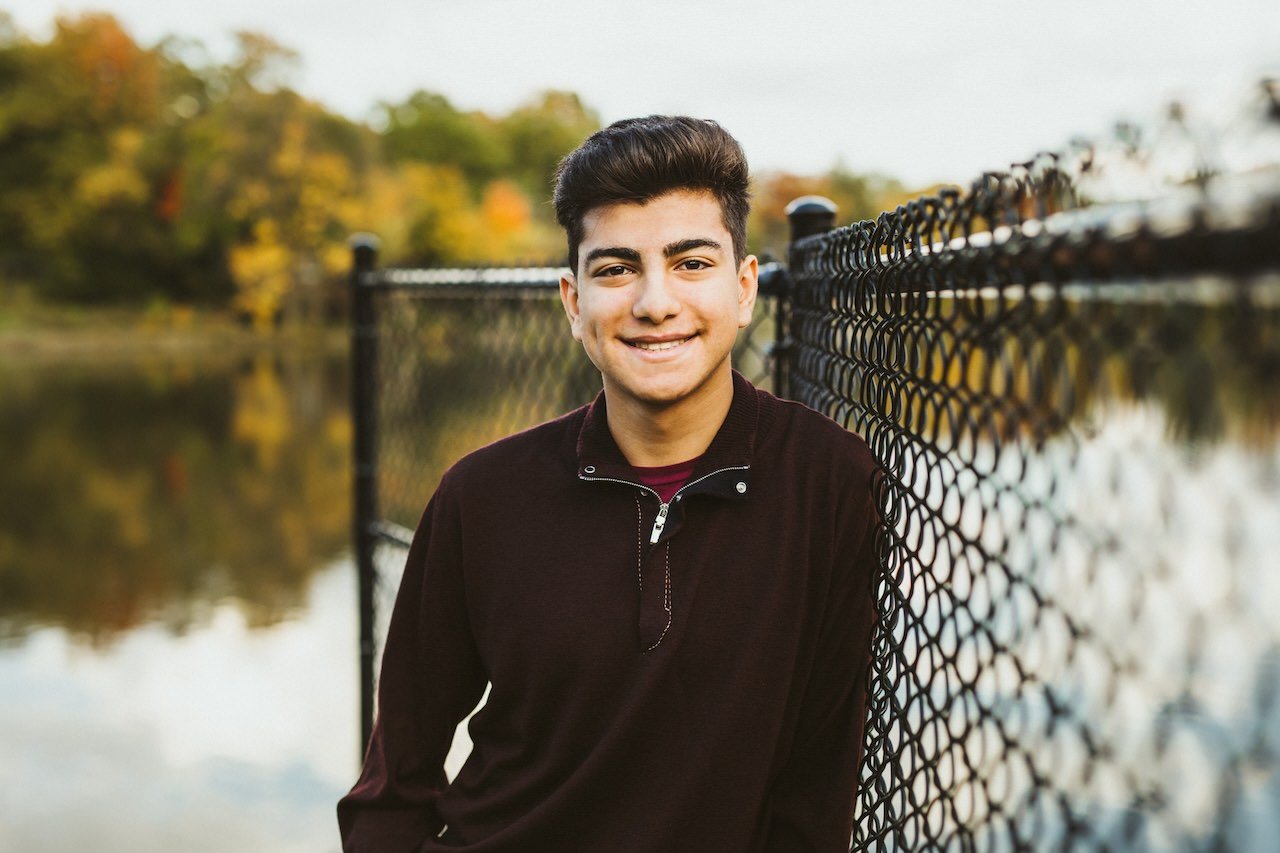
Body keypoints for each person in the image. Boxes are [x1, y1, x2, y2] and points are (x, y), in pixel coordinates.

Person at [337, 115, 880, 852]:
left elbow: (816, 794)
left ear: (745, 289)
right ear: (573, 301)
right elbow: (394, 783)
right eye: (617, 268)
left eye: (691, 263)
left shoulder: (833, 484)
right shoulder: (480, 496)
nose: (655, 302)